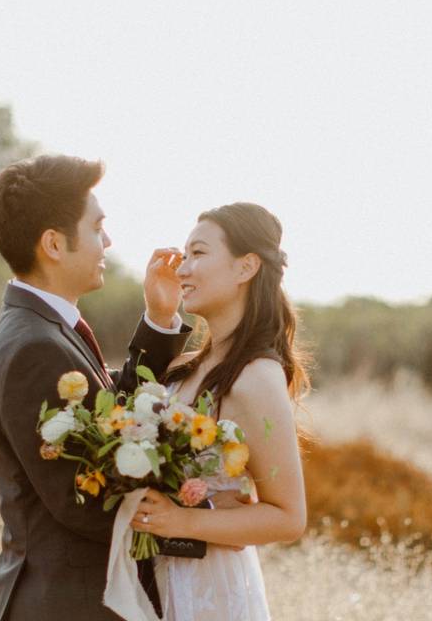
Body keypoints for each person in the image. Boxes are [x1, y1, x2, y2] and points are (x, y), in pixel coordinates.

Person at [0, 154, 192, 621]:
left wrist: (159, 322)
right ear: (54, 244)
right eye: (97, 227)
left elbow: (108, 413)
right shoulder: (34, 345)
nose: (108, 241)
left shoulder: (44, 329)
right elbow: (85, 498)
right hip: (65, 604)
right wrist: (198, 512)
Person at [130, 202, 310, 620]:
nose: (182, 269)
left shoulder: (257, 379)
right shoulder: (184, 367)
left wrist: (180, 522)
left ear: (245, 267)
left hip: (209, 592)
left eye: (199, 254)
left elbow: (288, 518)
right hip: (153, 580)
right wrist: (159, 313)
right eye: (185, 255)